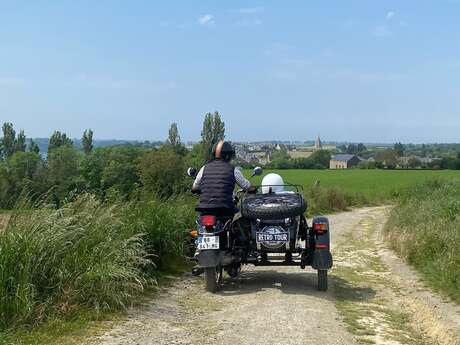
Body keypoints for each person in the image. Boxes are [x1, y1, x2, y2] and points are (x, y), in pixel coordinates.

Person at [192, 140, 255, 217]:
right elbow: (246, 186)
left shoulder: (204, 168)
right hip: (225, 207)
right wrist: (253, 189)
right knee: (242, 216)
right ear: (228, 156)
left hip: (204, 207)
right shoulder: (232, 170)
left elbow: (194, 187)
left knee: (200, 223)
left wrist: (200, 190)